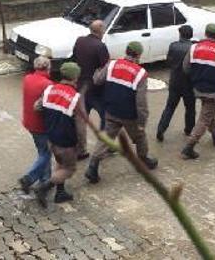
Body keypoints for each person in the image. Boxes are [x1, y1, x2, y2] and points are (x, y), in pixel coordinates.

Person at [85, 42, 158, 184]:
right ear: (139, 55)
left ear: (126, 51)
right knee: (140, 137)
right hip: (129, 115)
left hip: (111, 110)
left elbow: (97, 80)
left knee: (106, 137)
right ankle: (143, 160)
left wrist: (96, 71)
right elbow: (141, 102)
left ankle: (93, 165)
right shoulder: (141, 74)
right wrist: (142, 122)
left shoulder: (112, 65)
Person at [33, 62, 89, 207]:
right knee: (69, 169)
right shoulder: (75, 98)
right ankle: (44, 188)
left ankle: (60, 192)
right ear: (75, 77)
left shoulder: (49, 89)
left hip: (51, 137)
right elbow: (81, 127)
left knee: (60, 163)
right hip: (67, 141)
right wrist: (82, 147)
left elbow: (37, 106)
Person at [181, 23, 215, 160]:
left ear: (206, 33)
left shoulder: (194, 48)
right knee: (204, 118)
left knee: (209, 111)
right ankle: (189, 146)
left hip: (198, 88)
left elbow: (186, 68)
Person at [71, 20, 110, 159]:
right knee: (106, 118)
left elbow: (74, 59)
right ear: (100, 31)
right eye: (104, 30)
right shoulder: (100, 46)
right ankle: (105, 147)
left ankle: (80, 150)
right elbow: (105, 69)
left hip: (80, 87)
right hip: (96, 89)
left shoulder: (80, 41)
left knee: (80, 120)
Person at [18, 56, 54, 194]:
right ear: (48, 68)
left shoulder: (27, 78)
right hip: (41, 125)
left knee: (42, 152)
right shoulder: (48, 85)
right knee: (45, 153)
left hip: (29, 122)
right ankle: (29, 178)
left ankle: (45, 180)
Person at [156, 25, 196, 142]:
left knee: (170, 107)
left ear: (180, 34)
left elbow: (169, 62)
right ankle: (189, 129)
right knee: (190, 108)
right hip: (189, 84)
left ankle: (161, 129)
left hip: (175, 82)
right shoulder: (193, 48)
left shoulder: (173, 46)